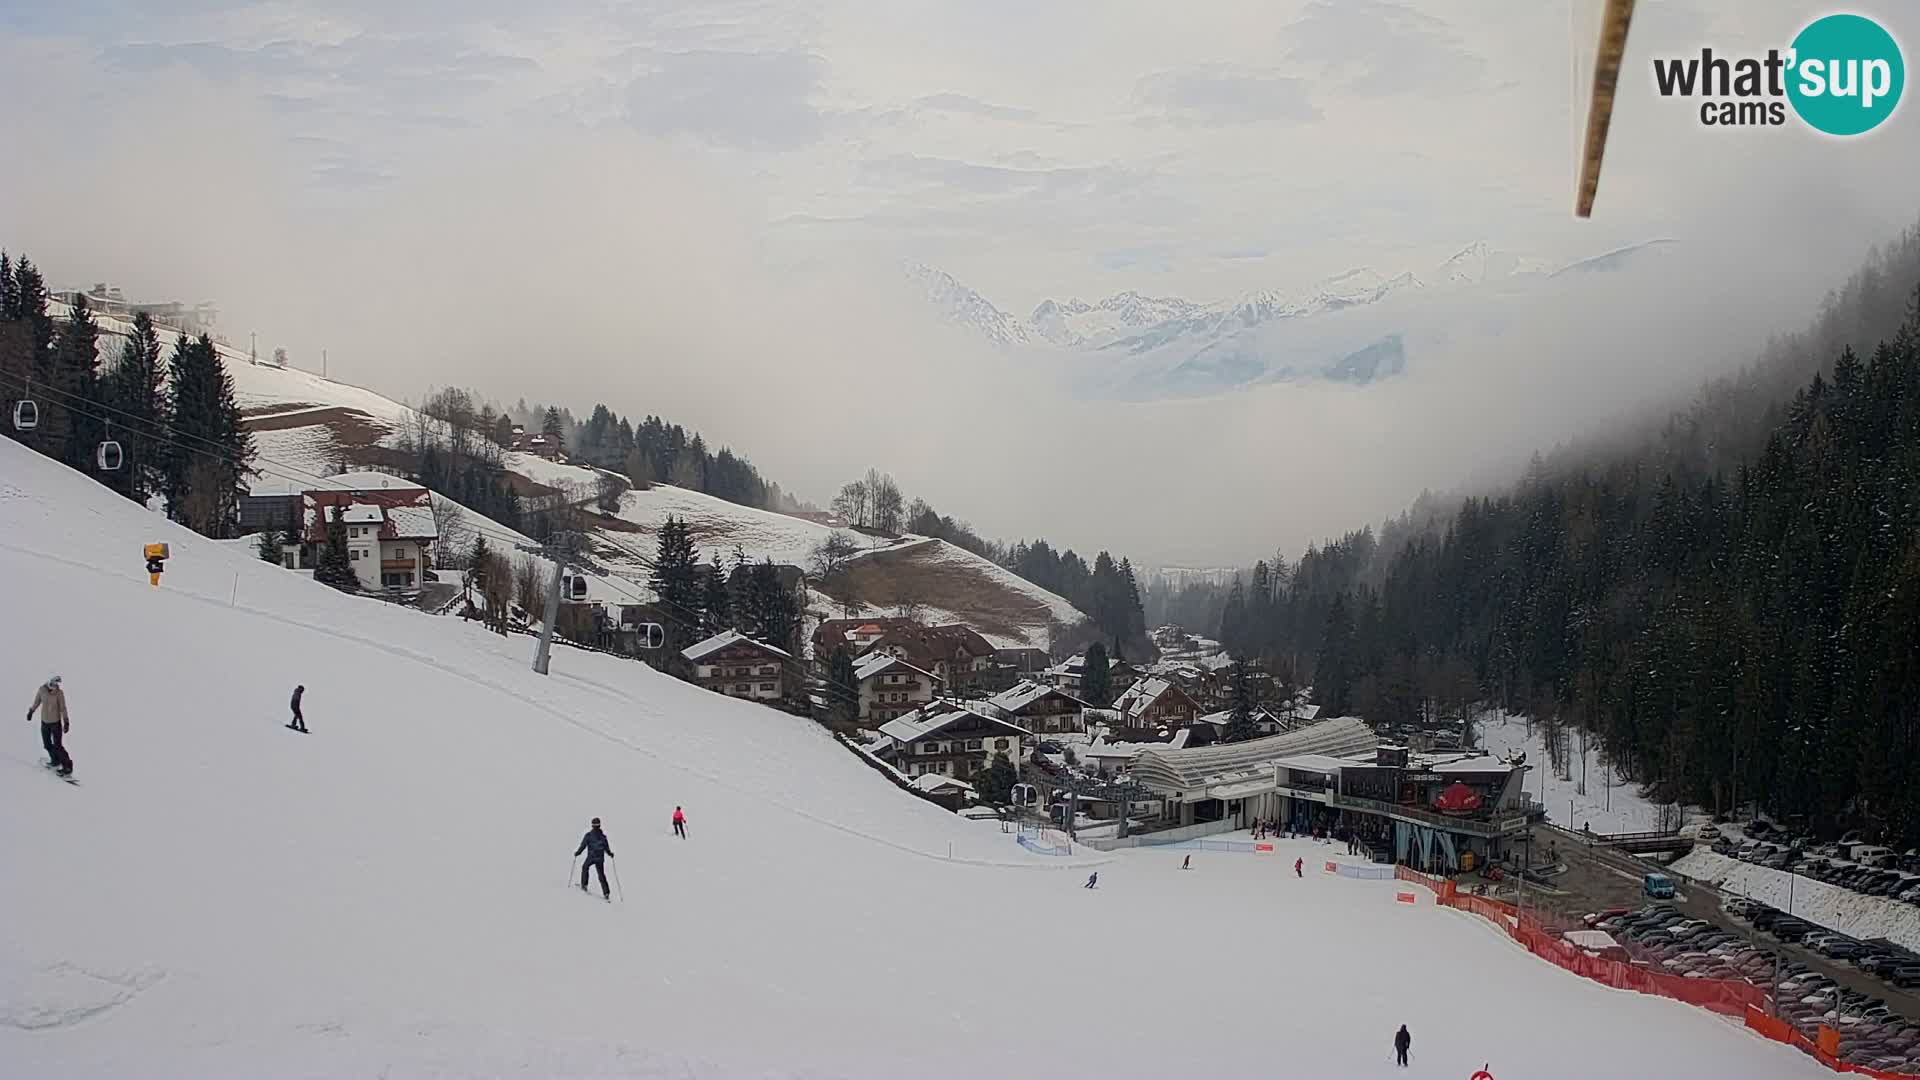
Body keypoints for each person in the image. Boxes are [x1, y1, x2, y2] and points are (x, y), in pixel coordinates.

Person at [27, 675, 72, 776]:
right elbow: (37, 702)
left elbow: (63, 708)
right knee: (47, 744)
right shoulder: (42, 690)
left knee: (58, 746)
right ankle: (55, 760)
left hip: (55, 724)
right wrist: (31, 711)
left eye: (56, 684)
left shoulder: (59, 693)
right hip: (45, 723)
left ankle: (67, 766)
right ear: (48, 682)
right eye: (52, 684)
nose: (54, 686)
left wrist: (66, 721)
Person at [575, 817, 614, 899]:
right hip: (600, 858)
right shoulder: (603, 837)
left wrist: (578, 853)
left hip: (591, 857)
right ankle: (606, 893)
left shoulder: (588, 835)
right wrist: (610, 854)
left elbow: (583, 846)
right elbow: (606, 848)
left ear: (592, 825)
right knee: (601, 875)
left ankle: (584, 885)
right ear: (599, 825)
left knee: (585, 867)